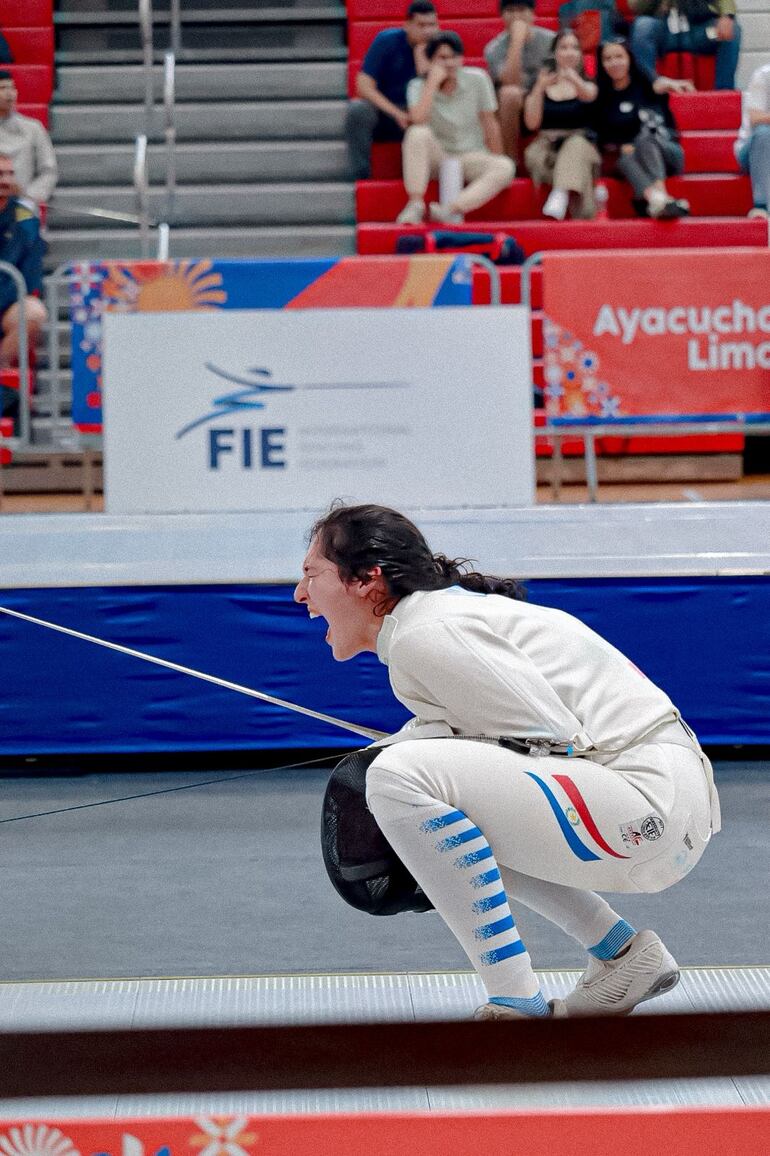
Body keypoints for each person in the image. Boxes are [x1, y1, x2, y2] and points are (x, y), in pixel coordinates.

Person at [295, 503, 720, 1019]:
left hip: (645, 807)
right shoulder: (434, 620)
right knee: (442, 798)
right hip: (660, 808)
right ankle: (622, 955)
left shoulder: (426, 631)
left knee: (398, 779)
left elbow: (555, 739)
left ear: (367, 580)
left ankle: (517, 1005)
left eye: (311, 575)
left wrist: (411, 747)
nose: (301, 595)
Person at [397, 31, 515, 225]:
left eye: (454, 57)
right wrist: (433, 83)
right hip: (438, 155)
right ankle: (415, 204)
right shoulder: (417, 86)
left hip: (471, 154)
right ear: (430, 60)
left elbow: (489, 121)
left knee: (505, 166)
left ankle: (449, 209)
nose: (450, 63)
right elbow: (417, 118)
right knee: (416, 133)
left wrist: (497, 155)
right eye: (442, 58)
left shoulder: (478, 79)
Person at [595, 37, 690, 217]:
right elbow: (603, 137)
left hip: (667, 152)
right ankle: (658, 201)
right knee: (624, 160)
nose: (614, 62)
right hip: (630, 157)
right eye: (608, 58)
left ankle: (660, 195)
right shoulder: (602, 97)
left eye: (619, 56)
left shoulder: (645, 82)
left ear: (629, 58)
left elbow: (659, 84)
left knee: (645, 140)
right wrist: (622, 147)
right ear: (601, 63)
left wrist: (671, 84)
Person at [345, 1, 439, 181]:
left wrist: (422, 58)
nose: (428, 31)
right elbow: (363, 86)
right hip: (387, 112)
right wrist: (397, 114)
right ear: (407, 25)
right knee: (357, 110)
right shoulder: (386, 40)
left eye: (432, 25)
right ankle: (361, 175)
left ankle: (425, 175)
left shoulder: (442, 46)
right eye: (421, 25)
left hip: (425, 111)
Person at [523, 29, 600, 219]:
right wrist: (540, 88)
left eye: (574, 48)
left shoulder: (588, 84)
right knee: (537, 155)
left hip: (580, 144)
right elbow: (532, 123)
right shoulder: (540, 84)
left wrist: (573, 77)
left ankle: (560, 194)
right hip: (547, 146)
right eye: (563, 47)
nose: (569, 53)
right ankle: (565, 189)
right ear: (554, 52)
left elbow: (589, 96)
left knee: (575, 146)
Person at [0, 152, 47, 433]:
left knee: (34, 312)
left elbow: (28, 280)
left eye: (9, 175)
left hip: (6, 303)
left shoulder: (25, 216)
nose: (5, 181)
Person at [483, 0, 555, 162]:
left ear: (532, 14)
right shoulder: (494, 48)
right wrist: (516, 42)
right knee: (510, 94)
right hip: (513, 106)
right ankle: (509, 163)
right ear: (502, 16)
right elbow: (511, 82)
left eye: (522, 10)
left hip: (546, 97)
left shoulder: (551, 41)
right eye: (510, 11)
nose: (516, 16)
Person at [628, 0, 741, 92]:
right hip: (665, 34)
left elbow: (726, 2)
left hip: (701, 34)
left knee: (733, 29)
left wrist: (727, 16)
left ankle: (723, 93)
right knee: (643, 25)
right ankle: (648, 86)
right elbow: (635, 6)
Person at [0, 70, 57, 212]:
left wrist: (28, 197)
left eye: (12, 88)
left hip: (23, 207)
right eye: (2, 88)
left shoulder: (33, 128)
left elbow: (48, 171)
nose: (9, 94)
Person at [735, 59, 770, 219]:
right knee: (764, 133)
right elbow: (756, 119)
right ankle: (762, 205)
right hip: (753, 150)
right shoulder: (764, 75)